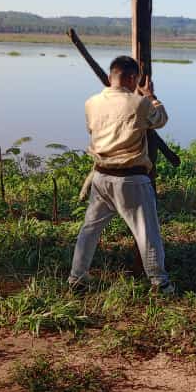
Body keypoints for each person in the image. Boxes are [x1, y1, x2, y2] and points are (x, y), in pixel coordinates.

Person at [68, 55, 174, 295]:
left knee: (89, 230)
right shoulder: (140, 103)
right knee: (147, 234)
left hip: (101, 177)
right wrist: (150, 96)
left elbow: (91, 129)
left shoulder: (91, 102)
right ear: (133, 78)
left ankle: (77, 277)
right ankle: (160, 283)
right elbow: (161, 120)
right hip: (132, 179)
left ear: (110, 77)